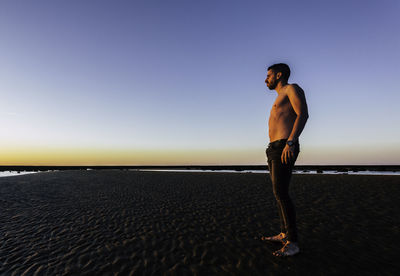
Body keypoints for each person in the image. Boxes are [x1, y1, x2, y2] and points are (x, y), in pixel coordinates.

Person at [262, 63, 309, 257]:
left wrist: (290, 142)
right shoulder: (279, 97)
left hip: (284, 145)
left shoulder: (291, 89)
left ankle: (293, 242)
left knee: (281, 192)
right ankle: (284, 233)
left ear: (279, 75)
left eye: (269, 75)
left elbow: (303, 114)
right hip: (274, 147)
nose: (266, 79)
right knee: (278, 193)